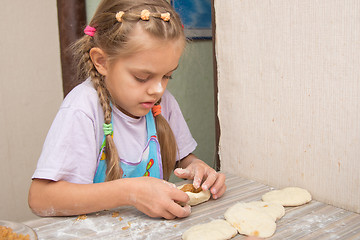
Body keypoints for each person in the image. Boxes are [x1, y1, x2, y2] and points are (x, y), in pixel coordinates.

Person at [28, 0, 226, 220]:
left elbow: (184, 159)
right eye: (142, 77)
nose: (158, 89)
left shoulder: (162, 102)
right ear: (101, 61)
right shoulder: (82, 108)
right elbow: (40, 199)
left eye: (167, 76)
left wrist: (198, 168)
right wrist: (131, 193)